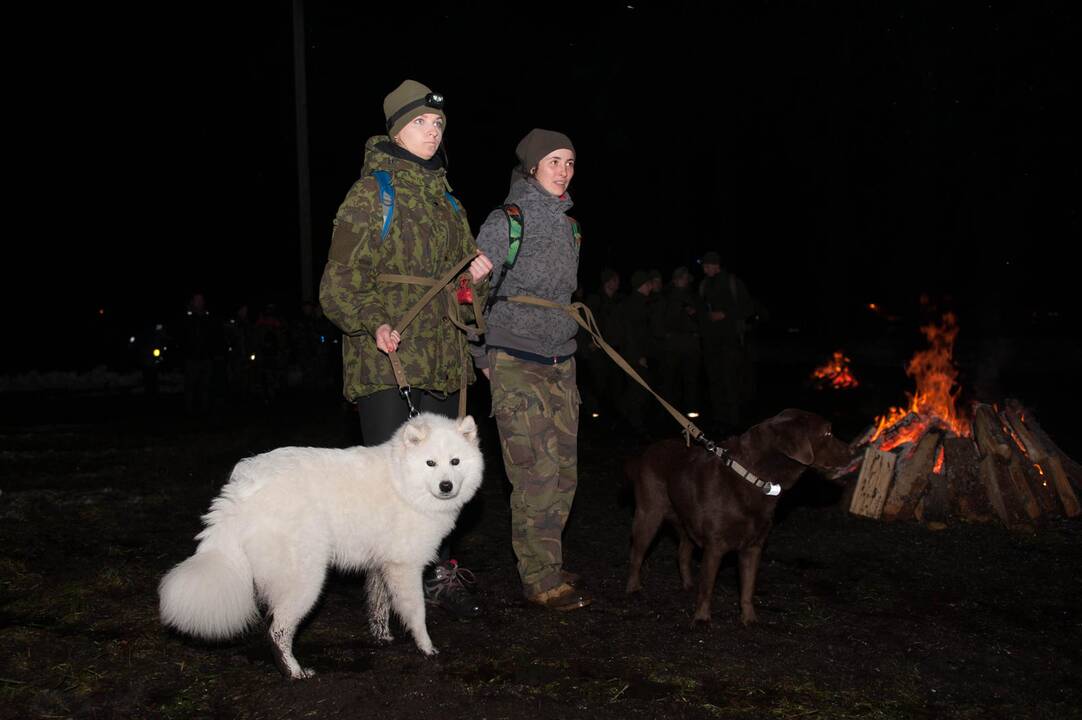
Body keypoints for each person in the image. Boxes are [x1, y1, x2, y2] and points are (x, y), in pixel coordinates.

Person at [319, 79, 493, 619]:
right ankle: (381, 600)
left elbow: (463, 297)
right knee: (392, 491)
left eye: (438, 124)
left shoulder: (449, 203)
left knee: (441, 480)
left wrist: (478, 281)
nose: (431, 132)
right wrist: (374, 323)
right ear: (396, 129)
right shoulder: (371, 194)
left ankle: (437, 579)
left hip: (442, 362)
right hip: (386, 361)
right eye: (420, 122)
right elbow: (337, 286)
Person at [471, 128, 592, 611]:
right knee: (534, 473)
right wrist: (482, 357)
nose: (563, 170)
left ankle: (548, 558)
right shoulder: (506, 222)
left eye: (570, 161)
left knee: (565, 473)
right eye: (554, 161)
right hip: (515, 360)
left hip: (562, 360)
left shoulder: (571, 227)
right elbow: (472, 294)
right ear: (531, 167)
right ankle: (540, 579)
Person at [698, 251, 759, 432]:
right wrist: (702, 315)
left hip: (730, 340)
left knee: (730, 379)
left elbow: (748, 308)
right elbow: (701, 310)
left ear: (717, 265)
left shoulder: (733, 283)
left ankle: (733, 421)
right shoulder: (703, 285)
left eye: (708, 265)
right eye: (704, 265)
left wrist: (725, 314)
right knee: (715, 380)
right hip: (710, 342)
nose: (705, 268)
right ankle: (719, 420)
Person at [661, 265, 702, 414]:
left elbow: (701, 318)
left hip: (690, 345)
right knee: (670, 380)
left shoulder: (693, 296)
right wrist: (665, 333)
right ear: (675, 280)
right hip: (673, 345)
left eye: (686, 278)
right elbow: (660, 319)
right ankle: (669, 411)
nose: (684, 281)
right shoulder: (665, 296)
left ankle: (691, 410)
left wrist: (694, 315)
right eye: (681, 278)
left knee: (690, 379)